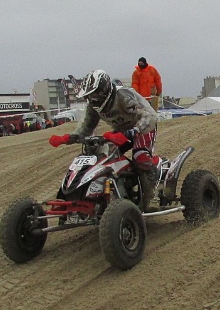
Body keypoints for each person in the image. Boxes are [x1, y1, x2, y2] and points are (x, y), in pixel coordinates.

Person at [51, 69, 160, 209]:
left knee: (140, 157)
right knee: (102, 157)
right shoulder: (93, 106)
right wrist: (69, 138)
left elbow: (149, 116)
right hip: (120, 132)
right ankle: (105, 193)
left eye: (95, 94)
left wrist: (135, 131)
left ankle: (152, 197)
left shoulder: (123, 96)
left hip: (143, 128)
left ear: (104, 89)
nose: (93, 98)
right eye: (90, 96)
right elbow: (87, 128)